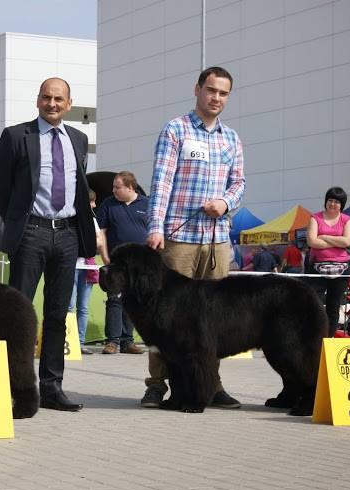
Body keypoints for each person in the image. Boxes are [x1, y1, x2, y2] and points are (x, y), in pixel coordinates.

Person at [143, 66, 245, 409]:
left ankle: (210, 385)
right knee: (165, 319)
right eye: (211, 90)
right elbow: (161, 183)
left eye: (223, 93)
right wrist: (155, 228)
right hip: (179, 238)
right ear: (197, 89)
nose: (216, 98)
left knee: (211, 322)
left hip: (217, 240)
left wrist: (226, 202)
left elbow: (239, 183)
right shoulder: (176, 130)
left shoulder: (232, 138)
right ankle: (157, 385)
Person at [0, 77, 96, 412]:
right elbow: (1, 189)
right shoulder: (15, 136)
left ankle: (52, 388)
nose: (52, 104)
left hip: (67, 235)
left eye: (58, 99)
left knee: (57, 314)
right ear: (37, 101)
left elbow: (80, 188)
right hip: (31, 233)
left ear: (69, 104)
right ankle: (16, 388)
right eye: (46, 98)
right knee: (16, 314)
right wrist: (19, 225)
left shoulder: (79, 140)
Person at [97, 171, 147, 355]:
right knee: (114, 300)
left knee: (133, 301)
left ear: (130, 187)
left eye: (117, 187)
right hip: (116, 262)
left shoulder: (147, 204)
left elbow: (154, 231)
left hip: (139, 263)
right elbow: (101, 232)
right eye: (113, 187)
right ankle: (112, 342)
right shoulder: (107, 205)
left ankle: (128, 341)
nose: (113, 190)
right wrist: (105, 257)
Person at [307, 186, 350, 337]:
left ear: (342, 204)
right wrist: (337, 242)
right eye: (330, 200)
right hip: (316, 267)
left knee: (334, 306)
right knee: (315, 305)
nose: (333, 204)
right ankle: (315, 337)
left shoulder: (347, 220)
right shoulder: (315, 218)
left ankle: (329, 338)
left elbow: (347, 241)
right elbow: (312, 242)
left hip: (342, 268)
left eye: (337, 201)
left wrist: (324, 237)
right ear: (326, 201)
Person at [69, 189, 106, 355]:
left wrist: (86, 243)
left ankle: (80, 342)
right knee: (69, 306)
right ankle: (67, 342)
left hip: (87, 267)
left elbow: (99, 240)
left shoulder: (92, 219)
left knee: (83, 307)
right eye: (92, 202)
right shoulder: (70, 217)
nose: (95, 205)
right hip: (71, 266)